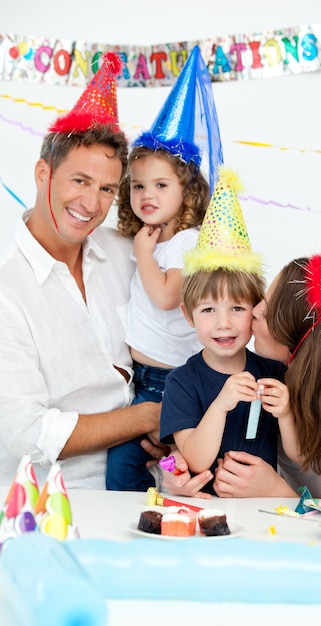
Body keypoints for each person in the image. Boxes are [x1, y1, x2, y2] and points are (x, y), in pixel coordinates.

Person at [0, 53, 166, 490]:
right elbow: (26, 434)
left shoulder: (128, 255)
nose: (91, 205)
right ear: (43, 173)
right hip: (58, 502)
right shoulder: (7, 291)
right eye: (79, 181)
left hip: (154, 486)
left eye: (107, 188)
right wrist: (146, 416)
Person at [161, 245, 321, 499]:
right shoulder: (281, 375)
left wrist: (275, 491)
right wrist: (174, 464)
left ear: (298, 343)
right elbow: (188, 431)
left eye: (268, 309)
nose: (255, 311)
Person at [106, 44, 223, 491]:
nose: (146, 194)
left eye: (160, 184)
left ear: (187, 190)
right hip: (143, 379)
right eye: (137, 186)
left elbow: (167, 296)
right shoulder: (154, 238)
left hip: (171, 379)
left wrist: (141, 254)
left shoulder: (184, 243)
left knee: (131, 465)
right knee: (143, 465)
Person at [159, 168, 291, 495]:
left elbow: (299, 456)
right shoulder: (182, 382)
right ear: (188, 316)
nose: (224, 324)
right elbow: (195, 459)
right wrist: (220, 405)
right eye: (208, 310)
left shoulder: (275, 373)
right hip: (203, 508)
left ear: (257, 309)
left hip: (262, 511)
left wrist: (287, 413)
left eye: (237, 308)